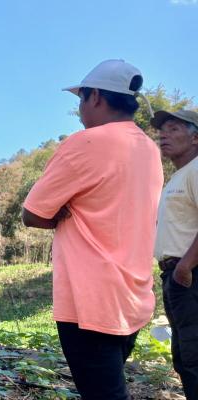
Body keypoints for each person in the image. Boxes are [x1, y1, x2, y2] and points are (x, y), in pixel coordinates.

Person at [22, 59, 163, 400]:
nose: (80, 109)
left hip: (89, 299)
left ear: (96, 96)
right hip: (133, 297)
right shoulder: (150, 149)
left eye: (81, 99)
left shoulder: (86, 142)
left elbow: (33, 214)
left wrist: (62, 214)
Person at [152, 109, 198, 399]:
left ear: (195, 137)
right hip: (176, 276)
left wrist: (185, 266)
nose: (163, 135)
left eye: (174, 129)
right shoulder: (178, 177)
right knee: (183, 356)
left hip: (189, 276)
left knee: (194, 357)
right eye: (162, 130)